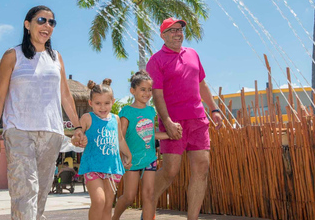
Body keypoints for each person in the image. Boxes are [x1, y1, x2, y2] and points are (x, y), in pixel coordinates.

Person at [0, 5, 87, 220]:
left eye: (52, 22)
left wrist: (77, 126)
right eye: (42, 20)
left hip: (51, 133)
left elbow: (66, 96)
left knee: (41, 193)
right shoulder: (12, 55)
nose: (47, 25)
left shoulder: (56, 57)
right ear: (27, 25)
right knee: (25, 191)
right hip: (19, 131)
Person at [146, 18, 223, 220]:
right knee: (171, 170)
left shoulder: (193, 54)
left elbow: (202, 85)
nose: (177, 33)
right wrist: (168, 121)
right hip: (173, 122)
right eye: (172, 30)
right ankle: (148, 206)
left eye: (179, 30)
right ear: (162, 35)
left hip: (198, 120)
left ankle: (192, 219)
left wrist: (214, 109)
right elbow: (157, 95)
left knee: (202, 168)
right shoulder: (156, 60)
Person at [112, 71, 170, 220]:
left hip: (150, 157)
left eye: (149, 89)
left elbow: (151, 133)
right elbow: (121, 137)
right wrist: (122, 156)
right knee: (129, 197)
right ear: (133, 91)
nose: (147, 93)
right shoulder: (127, 111)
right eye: (143, 89)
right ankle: (114, 218)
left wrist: (170, 134)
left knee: (149, 195)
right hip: (131, 160)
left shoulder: (151, 111)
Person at [77, 79, 132, 220]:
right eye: (98, 103)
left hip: (112, 168)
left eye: (106, 103)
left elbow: (120, 139)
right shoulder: (87, 118)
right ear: (90, 103)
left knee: (108, 205)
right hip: (92, 167)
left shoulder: (116, 119)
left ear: (112, 101)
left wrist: (128, 154)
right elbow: (75, 137)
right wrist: (78, 139)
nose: (102, 107)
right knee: (99, 201)